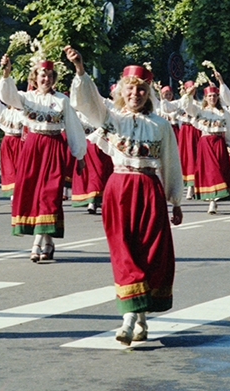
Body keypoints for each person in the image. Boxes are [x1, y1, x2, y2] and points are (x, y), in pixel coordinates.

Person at [68, 47, 183, 347]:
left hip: (149, 191)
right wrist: (80, 69)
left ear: (149, 93)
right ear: (122, 91)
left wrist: (175, 200)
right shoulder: (112, 119)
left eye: (142, 89)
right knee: (123, 252)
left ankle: (141, 316)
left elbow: (171, 162)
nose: (136, 94)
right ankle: (129, 318)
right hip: (119, 190)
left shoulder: (160, 126)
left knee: (150, 253)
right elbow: (88, 103)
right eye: (131, 88)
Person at [0, 54, 86, 262]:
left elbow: (74, 128)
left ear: (54, 78)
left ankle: (37, 244)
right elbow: (7, 96)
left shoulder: (61, 100)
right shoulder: (27, 98)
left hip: (53, 148)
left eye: (48, 76)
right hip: (32, 149)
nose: (45, 79)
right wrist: (7, 72)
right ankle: (48, 243)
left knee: (50, 195)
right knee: (33, 193)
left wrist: (79, 155)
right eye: (41, 75)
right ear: (35, 77)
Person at [182, 85, 230, 214]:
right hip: (205, 142)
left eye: (214, 96)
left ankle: (215, 198)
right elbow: (187, 107)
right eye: (209, 96)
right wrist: (188, 95)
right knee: (210, 171)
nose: (212, 98)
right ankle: (212, 201)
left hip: (219, 142)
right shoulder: (200, 110)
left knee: (218, 169)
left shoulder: (223, 112)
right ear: (206, 98)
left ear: (217, 97)